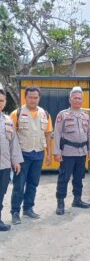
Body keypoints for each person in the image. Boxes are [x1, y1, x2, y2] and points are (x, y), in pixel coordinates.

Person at [10, 86, 53, 225]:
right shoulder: (16, 113)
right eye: (30, 97)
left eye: (36, 97)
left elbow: (48, 134)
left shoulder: (45, 114)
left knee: (33, 184)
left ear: (39, 98)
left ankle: (28, 208)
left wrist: (48, 154)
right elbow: (11, 137)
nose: (33, 100)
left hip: (38, 154)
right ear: (25, 97)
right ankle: (15, 212)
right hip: (22, 155)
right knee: (19, 185)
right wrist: (13, 157)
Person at [54, 86, 90, 215]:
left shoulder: (85, 116)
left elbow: (89, 134)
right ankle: (60, 203)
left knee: (78, 178)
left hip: (82, 152)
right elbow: (57, 133)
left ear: (82, 100)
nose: (77, 100)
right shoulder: (63, 115)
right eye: (75, 98)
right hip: (68, 152)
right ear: (70, 99)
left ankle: (77, 200)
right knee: (63, 178)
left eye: (79, 98)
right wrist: (57, 151)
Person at [0, 89, 23, 231]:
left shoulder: (8, 121)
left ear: (5, 102)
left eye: (1, 101)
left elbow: (13, 144)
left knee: (1, 194)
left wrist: (16, 161)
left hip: (4, 165)